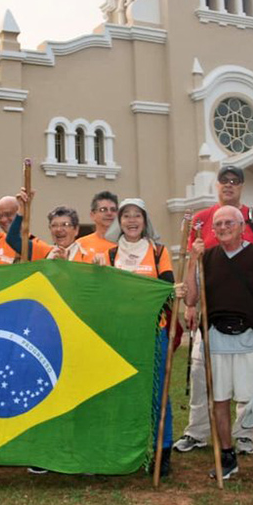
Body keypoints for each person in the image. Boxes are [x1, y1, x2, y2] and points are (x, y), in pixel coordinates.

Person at [176, 165, 253, 456]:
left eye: (235, 181)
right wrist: (192, 305)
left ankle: (243, 434)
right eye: (224, 181)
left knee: (247, 378)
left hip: (249, 314)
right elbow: (192, 263)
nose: (229, 185)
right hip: (211, 313)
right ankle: (197, 431)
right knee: (200, 373)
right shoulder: (201, 220)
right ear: (216, 185)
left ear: (242, 186)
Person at [183, 205, 253, 482]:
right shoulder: (207, 258)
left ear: (241, 226)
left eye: (229, 223)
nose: (223, 227)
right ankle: (227, 457)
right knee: (220, 401)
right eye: (218, 224)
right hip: (216, 339)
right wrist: (192, 261)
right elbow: (191, 299)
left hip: (252, 340)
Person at [98, 198, 176, 476]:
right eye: (126, 216)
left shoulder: (158, 252)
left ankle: (162, 451)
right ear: (119, 222)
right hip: (120, 336)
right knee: (122, 393)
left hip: (153, 334)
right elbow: (104, 297)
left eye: (137, 216)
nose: (131, 221)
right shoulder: (108, 256)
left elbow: (166, 291)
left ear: (145, 220)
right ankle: (123, 449)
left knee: (159, 394)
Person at [5, 188, 88, 261]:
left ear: (76, 230)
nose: (59, 229)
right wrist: (22, 209)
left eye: (65, 225)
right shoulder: (45, 252)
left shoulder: (88, 257)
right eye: (54, 225)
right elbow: (13, 239)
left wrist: (65, 265)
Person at [72, 191, 118, 262]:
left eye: (113, 210)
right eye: (103, 210)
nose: (109, 213)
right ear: (92, 215)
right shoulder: (80, 245)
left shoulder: (125, 243)